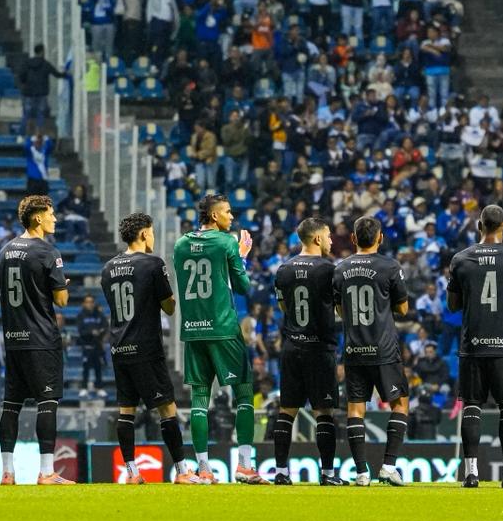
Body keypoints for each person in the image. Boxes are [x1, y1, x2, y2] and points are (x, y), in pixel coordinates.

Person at [172, 194, 265, 484]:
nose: (231, 217)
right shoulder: (226, 243)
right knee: (244, 394)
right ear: (213, 216)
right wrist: (242, 255)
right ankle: (245, 466)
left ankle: (203, 468)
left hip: (193, 329)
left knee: (200, 398)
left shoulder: (180, 243)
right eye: (227, 212)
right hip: (223, 328)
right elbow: (243, 286)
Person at [448, 205, 503, 488]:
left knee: (472, 406)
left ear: (479, 226)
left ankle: (471, 473)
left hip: (473, 345)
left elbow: (452, 304)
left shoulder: (461, 259)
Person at [100, 212, 188, 483]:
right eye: (151, 232)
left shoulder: (108, 268)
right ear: (143, 234)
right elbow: (169, 307)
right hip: (146, 347)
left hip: (118, 347)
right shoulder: (152, 264)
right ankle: (183, 472)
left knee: (126, 410)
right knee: (167, 409)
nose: (153, 237)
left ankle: (132, 472)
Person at [0, 195, 73, 484]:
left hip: (13, 338)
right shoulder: (47, 252)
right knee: (47, 402)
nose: (55, 219)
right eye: (51, 214)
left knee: (11, 405)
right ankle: (47, 471)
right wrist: (64, 286)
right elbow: (62, 300)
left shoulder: (4, 251)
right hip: (41, 337)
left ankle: (7, 472)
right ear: (38, 218)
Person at [331, 216, 411, 487]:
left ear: (353, 239)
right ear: (380, 238)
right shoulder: (390, 266)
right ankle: (388, 466)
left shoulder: (340, 269)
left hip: (354, 348)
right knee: (400, 403)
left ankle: (361, 473)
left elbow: (340, 310)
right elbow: (402, 309)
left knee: (355, 408)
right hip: (384, 348)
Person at [273, 217, 344, 486]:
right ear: (316, 239)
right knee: (324, 413)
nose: (330, 241)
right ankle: (327, 475)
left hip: (292, 347)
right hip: (319, 349)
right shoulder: (330, 270)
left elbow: (283, 308)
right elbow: (339, 310)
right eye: (327, 237)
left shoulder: (284, 269)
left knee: (286, 411)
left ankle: (281, 472)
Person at [17, 43, 67, 134]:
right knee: (40, 115)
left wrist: (25, 84)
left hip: (28, 93)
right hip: (41, 93)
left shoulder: (27, 63)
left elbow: (21, 76)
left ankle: (21, 135)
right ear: (42, 51)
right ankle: (38, 135)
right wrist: (66, 74)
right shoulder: (45, 64)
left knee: (26, 115)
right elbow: (56, 74)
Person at [76, 294, 107, 396]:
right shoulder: (81, 315)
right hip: (87, 346)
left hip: (98, 346)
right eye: (87, 302)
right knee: (86, 368)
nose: (89, 304)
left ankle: (99, 387)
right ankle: (84, 387)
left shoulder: (99, 314)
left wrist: (100, 332)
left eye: (91, 302)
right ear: (84, 304)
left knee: (98, 367)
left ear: (94, 303)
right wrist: (92, 333)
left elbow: (105, 326)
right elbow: (81, 331)